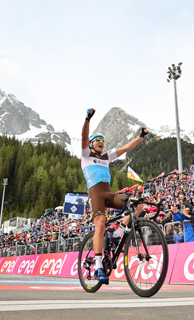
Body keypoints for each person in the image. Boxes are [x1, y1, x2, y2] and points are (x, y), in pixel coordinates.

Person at [81, 108, 147, 284]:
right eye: (97, 141)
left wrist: (140, 137)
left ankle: (118, 233)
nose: (101, 142)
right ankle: (98, 266)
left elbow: (126, 148)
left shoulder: (106, 157)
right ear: (91, 144)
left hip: (109, 193)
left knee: (138, 204)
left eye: (103, 140)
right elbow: (84, 138)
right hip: (95, 194)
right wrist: (88, 119)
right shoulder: (86, 155)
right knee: (100, 224)